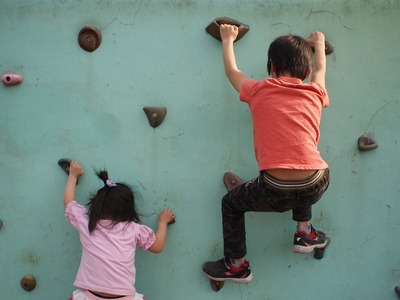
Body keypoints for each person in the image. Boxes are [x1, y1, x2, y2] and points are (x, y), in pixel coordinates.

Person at [202, 25, 331, 283]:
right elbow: (320, 70)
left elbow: (232, 72)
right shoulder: (316, 92)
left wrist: (228, 40)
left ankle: (236, 265)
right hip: (318, 181)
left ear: (270, 66)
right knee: (302, 165)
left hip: (274, 188)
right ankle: (304, 231)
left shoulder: (259, 89)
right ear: (304, 72)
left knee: (231, 204)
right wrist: (319, 42)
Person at [64, 160, 175, 300]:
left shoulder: (86, 223)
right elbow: (158, 246)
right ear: (129, 209)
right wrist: (163, 222)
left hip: (89, 296)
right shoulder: (133, 229)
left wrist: (73, 176)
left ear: (97, 204)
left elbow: (69, 203)